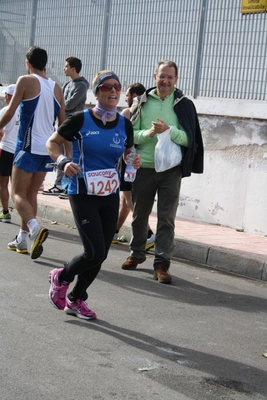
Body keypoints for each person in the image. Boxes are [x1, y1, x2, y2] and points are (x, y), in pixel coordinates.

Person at [47, 70, 141, 320]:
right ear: (97, 91)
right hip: (82, 191)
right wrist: (63, 161)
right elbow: (52, 143)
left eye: (117, 87)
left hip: (109, 193)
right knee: (94, 252)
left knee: (102, 253)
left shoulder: (124, 123)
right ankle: (61, 276)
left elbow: (128, 153)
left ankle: (76, 299)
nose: (113, 91)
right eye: (107, 87)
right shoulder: (80, 119)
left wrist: (133, 159)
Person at [121, 60, 204, 284]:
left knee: (166, 218)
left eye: (170, 77)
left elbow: (190, 139)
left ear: (176, 79)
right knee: (139, 215)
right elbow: (131, 135)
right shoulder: (141, 102)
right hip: (144, 167)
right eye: (161, 76)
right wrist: (148, 133)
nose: (165, 81)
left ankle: (162, 263)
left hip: (170, 170)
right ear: (154, 76)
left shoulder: (184, 105)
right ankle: (137, 253)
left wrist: (170, 131)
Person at [0, 46, 65, 258]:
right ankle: (21, 239)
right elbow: (63, 123)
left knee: (16, 193)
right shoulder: (56, 87)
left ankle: (36, 229)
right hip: (48, 148)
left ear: (28, 63)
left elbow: (10, 111)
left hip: (27, 147)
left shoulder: (25, 81)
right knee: (31, 194)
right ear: (45, 63)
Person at [112, 82, 155, 250]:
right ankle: (114, 231)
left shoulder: (127, 113)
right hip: (139, 161)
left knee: (129, 199)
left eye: (128, 94)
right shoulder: (147, 113)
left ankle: (149, 234)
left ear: (135, 96)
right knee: (125, 199)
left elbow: (120, 138)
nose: (125, 97)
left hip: (128, 161)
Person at [43, 56, 89, 198]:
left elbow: (68, 104)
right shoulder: (66, 85)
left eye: (66, 66)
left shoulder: (81, 85)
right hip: (63, 125)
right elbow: (61, 103)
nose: (64, 69)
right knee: (61, 156)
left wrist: (59, 106)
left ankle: (69, 186)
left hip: (74, 127)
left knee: (72, 156)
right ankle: (59, 185)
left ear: (73, 68)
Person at [0, 84, 20, 223]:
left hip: (6, 149)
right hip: (20, 152)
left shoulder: (5, 111)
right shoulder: (25, 111)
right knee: (18, 187)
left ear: (8, 96)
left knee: (3, 183)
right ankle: (25, 216)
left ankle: (5, 212)